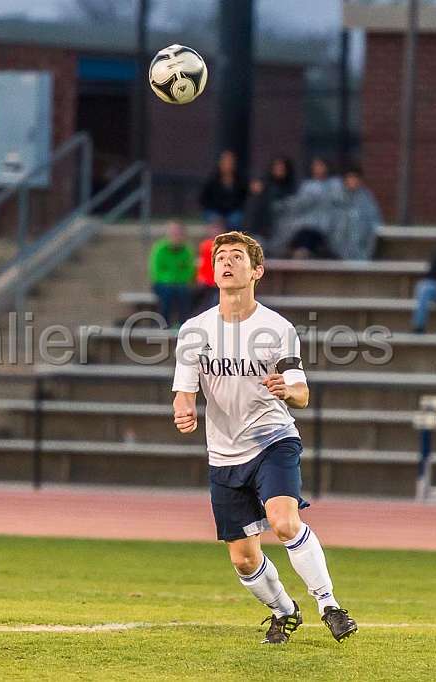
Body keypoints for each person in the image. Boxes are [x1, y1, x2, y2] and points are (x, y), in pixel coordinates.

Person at [171, 230, 357, 646]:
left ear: (257, 271)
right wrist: (183, 410)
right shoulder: (194, 331)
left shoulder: (276, 328)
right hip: (223, 454)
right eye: (221, 256)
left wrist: (289, 390)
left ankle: (329, 605)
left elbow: (303, 392)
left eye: (237, 256)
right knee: (243, 559)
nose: (227, 262)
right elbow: (184, 393)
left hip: (273, 441)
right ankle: (284, 611)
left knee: (284, 522)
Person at [329, 165, 382, 261]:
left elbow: (375, 221)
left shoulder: (367, 198)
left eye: (355, 178)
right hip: (338, 247)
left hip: (362, 246)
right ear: (345, 180)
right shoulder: (336, 197)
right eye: (350, 177)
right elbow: (331, 220)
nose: (353, 181)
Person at [149, 220, 197, 327]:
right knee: (168, 292)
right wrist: (170, 280)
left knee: (183, 292)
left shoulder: (187, 250)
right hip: (162, 284)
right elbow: (156, 272)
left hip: (181, 283)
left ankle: (183, 324)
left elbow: (190, 271)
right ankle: (164, 324)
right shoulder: (159, 249)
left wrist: (178, 280)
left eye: (178, 233)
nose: (176, 236)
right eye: (173, 233)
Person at [199, 149, 248, 229]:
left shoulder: (240, 180)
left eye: (230, 162)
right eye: (225, 162)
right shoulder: (212, 180)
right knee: (215, 221)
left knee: (236, 219)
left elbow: (243, 197)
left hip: (232, 212)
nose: (228, 165)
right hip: (215, 211)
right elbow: (204, 199)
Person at [192, 220, 223, 315]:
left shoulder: (227, 247)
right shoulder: (204, 246)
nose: (215, 232)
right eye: (213, 230)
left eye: (218, 230)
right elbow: (201, 265)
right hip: (207, 282)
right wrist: (201, 278)